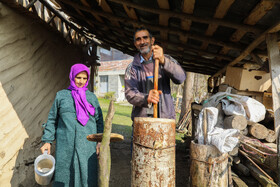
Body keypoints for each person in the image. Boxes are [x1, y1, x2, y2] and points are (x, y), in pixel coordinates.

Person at [40, 64, 104, 187]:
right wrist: (47, 141)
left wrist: (100, 142)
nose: (81, 81)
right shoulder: (61, 96)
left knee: (87, 176)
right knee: (65, 176)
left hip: (87, 146)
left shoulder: (92, 98)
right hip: (66, 145)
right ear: (72, 76)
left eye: (84, 78)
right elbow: (52, 119)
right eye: (78, 77)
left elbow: (99, 121)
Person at [125, 27, 186, 121]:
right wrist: (145, 98)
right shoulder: (132, 67)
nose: (142, 42)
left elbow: (181, 77)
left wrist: (164, 61)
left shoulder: (165, 59)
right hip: (143, 121)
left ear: (152, 40)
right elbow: (130, 93)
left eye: (145, 38)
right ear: (135, 44)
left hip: (165, 120)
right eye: (138, 39)